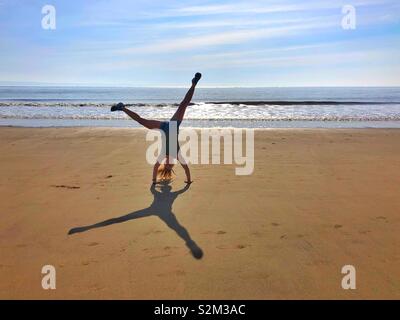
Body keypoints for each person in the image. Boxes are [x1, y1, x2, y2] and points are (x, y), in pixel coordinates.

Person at [111, 72, 202, 184]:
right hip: (174, 125)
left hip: (163, 127)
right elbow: (186, 168)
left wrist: (154, 181)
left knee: (141, 121)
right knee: (184, 104)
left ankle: (122, 108)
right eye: (170, 165)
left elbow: (155, 167)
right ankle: (193, 84)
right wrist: (188, 181)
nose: (168, 164)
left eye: (166, 165)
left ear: (164, 163)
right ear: (173, 163)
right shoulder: (178, 155)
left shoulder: (163, 154)